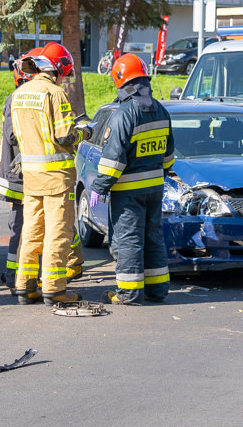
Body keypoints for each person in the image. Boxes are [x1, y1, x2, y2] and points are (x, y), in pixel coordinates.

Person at [0, 47, 86, 293]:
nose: (63, 79)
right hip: (56, 179)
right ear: (56, 68)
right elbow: (65, 136)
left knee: (32, 232)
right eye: (63, 73)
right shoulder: (55, 94)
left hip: (32, 177)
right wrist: (85, 132)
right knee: (58, 233)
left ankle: (25, 286)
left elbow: (15, 136)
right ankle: (54, 289)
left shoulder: (19, 94)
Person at [90, 54, 174, 305]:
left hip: (128, 192)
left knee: (129, 240)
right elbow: (168, 157)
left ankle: (129, 293)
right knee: (153, 238)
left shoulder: (123, 114)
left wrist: (99, 186)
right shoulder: (161, 110)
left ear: (120, 80)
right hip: (155, 188)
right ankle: (157, 290)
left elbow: (114, 160)